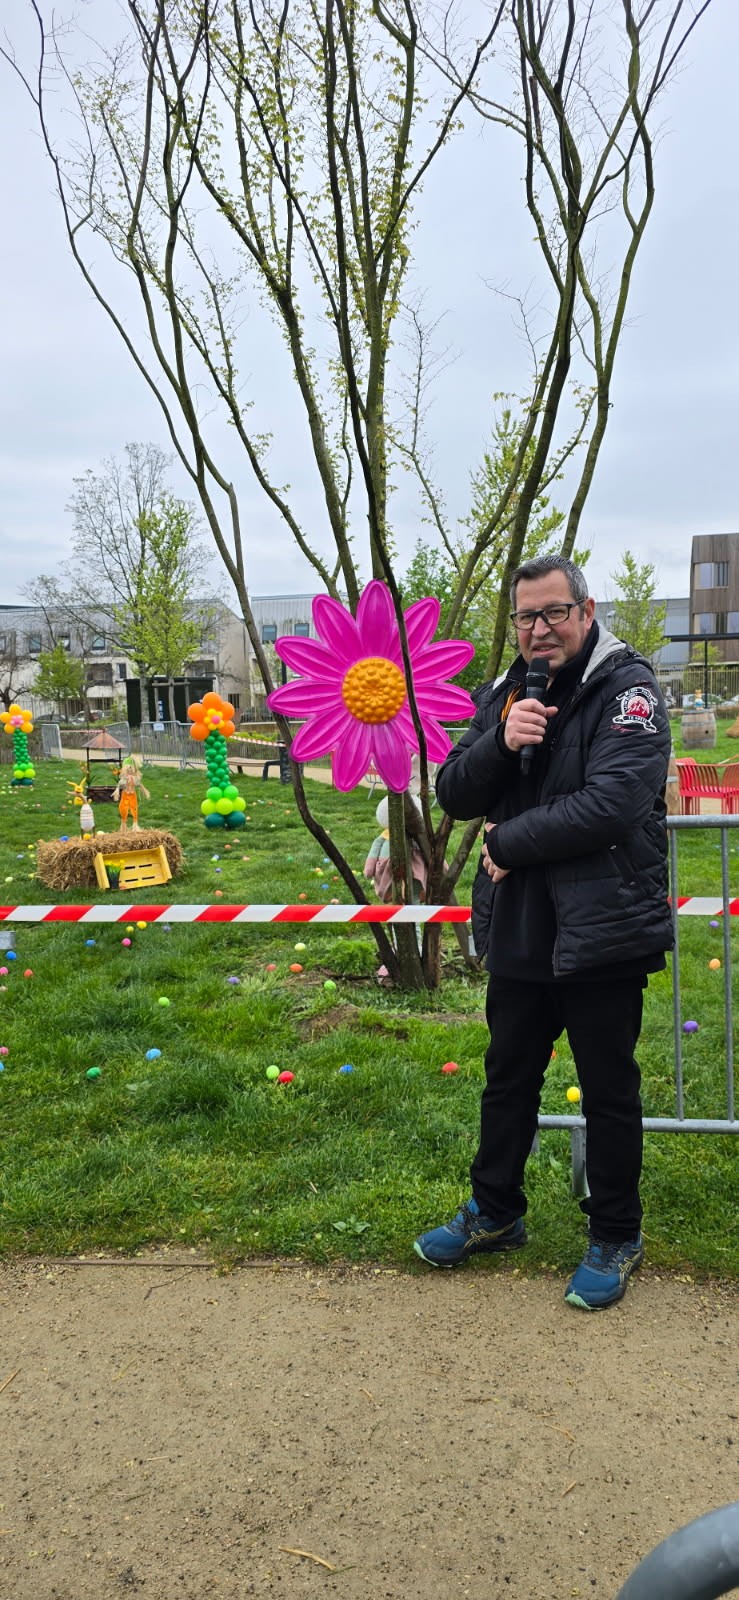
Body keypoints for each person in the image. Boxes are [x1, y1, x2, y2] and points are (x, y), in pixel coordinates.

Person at [414, 555, 673, 1310]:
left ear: (585, 612)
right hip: (521, 927)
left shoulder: (628, 690)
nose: (538, 630)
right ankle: (495, 1212)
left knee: (608, 1091)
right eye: (526, 617)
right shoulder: (503, 691)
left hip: (602, 931)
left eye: (553, 613)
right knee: (507, 1080)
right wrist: (499, 739)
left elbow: (613, 805)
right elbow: (455, 792)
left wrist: (505, 843)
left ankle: (615, 1232)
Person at [112, 756, 151, 831]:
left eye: (131, 768)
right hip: (125, 795)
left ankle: (135, 825)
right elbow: (119, 785)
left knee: (134, 808)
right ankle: (123, 824)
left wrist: (145, 791)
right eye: (128, 768)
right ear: (125, 769)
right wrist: (117, 791)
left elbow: (140, 785)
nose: (130, 770)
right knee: (123, 808)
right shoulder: (124, 779)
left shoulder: (135, 779)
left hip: (132, 795)